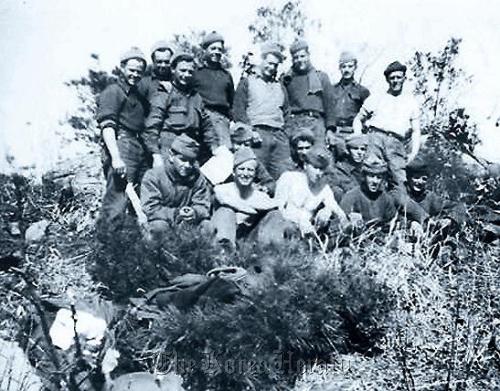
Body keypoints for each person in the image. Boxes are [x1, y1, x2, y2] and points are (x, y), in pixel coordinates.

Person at [96, 47, 155, 227]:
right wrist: (116, 157)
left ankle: (128, 247)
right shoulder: (113, 91)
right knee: (116, 199)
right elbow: (107, 126)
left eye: (139, 71)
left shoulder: (138, 96)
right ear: (122, 68)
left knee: (139, 198)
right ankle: (106, 248)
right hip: (122, 144)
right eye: (131, 70)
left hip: (138, 146)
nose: (135, 74)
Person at [353, 61, 421, 188]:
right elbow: (358, 119)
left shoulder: (411, 102)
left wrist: (413, 153)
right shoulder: (376, 98)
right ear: (387, 80)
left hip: (396, 144)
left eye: (398, 77)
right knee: (372, 178)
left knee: (400, 183)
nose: (395, 81)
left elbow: (416, 131)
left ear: (404, 78)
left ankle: (398, 207)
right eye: (392, 78)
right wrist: (360, 139)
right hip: (375, 141)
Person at [144, 52, 218, 165]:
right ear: (173, 70)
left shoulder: (196, 97)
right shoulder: (164, 94)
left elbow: (207, 125)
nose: (186, 75)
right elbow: (152, 127)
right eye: (182, 70)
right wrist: (156, 154)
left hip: (191, 149)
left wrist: (215, 148)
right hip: (169, 150)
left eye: (190, 72)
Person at [233, 41, 293, 179]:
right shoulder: (247, 82)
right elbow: (238, 111)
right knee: (257, 177)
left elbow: (287, 113)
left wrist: (286, 134)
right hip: (257, 135)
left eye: (275, 65)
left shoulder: (280, 87)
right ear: (262, 60)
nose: (272, 67)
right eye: (269, 63)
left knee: (286, 177)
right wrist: (250, 132)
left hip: (279, 136)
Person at [140, 134, 212, 244]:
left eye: (191, 161)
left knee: (207, 226)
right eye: (183, 160)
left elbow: (203, 205)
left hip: (188, 222)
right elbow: (151, 208)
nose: (187, 165)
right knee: (159, 228)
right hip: (162, 221)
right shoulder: (153, 176)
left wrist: (194, 212)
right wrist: (176, 214)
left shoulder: (198, 177)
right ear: (171, 156)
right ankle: (155, 259)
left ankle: (205, 259)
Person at [210, 147, 283, 247]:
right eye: (241, 169)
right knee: (226, 211)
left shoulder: (260, 196)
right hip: (224, 234)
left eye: (250, 170)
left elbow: (276, 204)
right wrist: (252, 209)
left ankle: (268, 253)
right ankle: (223, 253)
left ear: (255, 174)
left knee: (275, 214)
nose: (245, 174)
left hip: (249, 240)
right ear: (233, 172)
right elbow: (225, 200)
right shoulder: (222, 189)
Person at [275, 147, 348, 237]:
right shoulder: (289, 178)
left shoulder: (323, 187)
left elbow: (337, 210)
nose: (319, 173)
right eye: (315, 167)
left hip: (308, 231)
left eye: (321, 169)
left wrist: (327, 211)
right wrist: (299, 219)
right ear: (305, 165)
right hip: (283, 228)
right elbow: (277, 209)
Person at [282, 39, 334, 146]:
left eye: (302, 56)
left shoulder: (321, 77)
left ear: (308, 55)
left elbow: (330, 106)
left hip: (316, 123)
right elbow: (283, 105)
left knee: (318, 156)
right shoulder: (287, 79)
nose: (300, 60)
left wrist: (330, 130)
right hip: (295, 123)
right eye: (296, 58)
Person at [192, 31, 235, 149]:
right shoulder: (196, 73)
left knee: (224, 153)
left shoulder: (226, 75)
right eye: (213, 48)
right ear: (205, 50)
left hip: (221, 120)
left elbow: (232, 102)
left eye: (219, 49)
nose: (216, 52)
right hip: (199, 118)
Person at [326, 51, 370, 160]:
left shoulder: (362, 91)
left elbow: (368, 116)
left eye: (350, 66)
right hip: (335, 132)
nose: (347, 70)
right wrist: (329, 132)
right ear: (339, 68)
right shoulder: (332, 89)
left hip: (352, 132)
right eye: (343, 66)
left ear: (355, 67)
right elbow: (327, 112)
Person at [340, 155, 397, 230]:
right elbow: (339, 223)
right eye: (371, 176)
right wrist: (350, 223)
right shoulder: (351, 197)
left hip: (378, 238)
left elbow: (393, 221)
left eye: (379, 177)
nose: (375, 181)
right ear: (364, 176)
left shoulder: (385, 198)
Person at [229, 122, 275, 195]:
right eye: (238, 144)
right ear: (232, 143)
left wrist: (264, 189)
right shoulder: (225, 159)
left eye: (246, 144)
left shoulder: (253, 160)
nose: (242, 148)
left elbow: (270, 182)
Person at [326, 134, 367, 201]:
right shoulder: (339, 171)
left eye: (362, 149)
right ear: (347, 151)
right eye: (355, 149)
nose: (359, 152)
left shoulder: (367, 170)